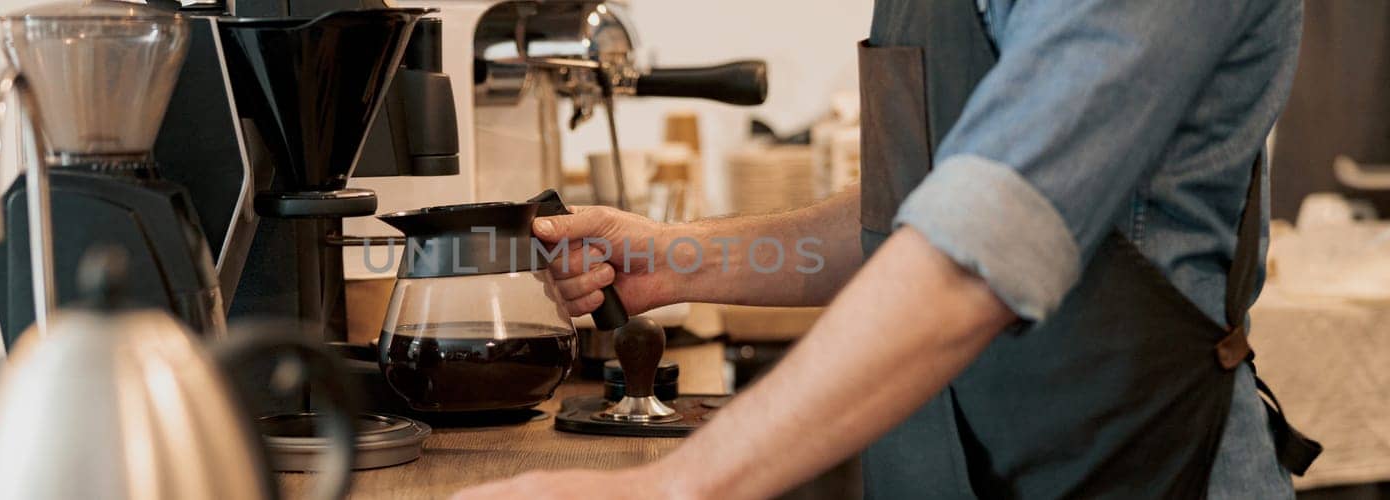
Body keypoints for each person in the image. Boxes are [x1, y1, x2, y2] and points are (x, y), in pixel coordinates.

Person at [454, 0, 1320, 498]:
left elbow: (983, 242)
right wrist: (676, 259)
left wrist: (666, 489)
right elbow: (917, 216)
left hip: (1130, 472)